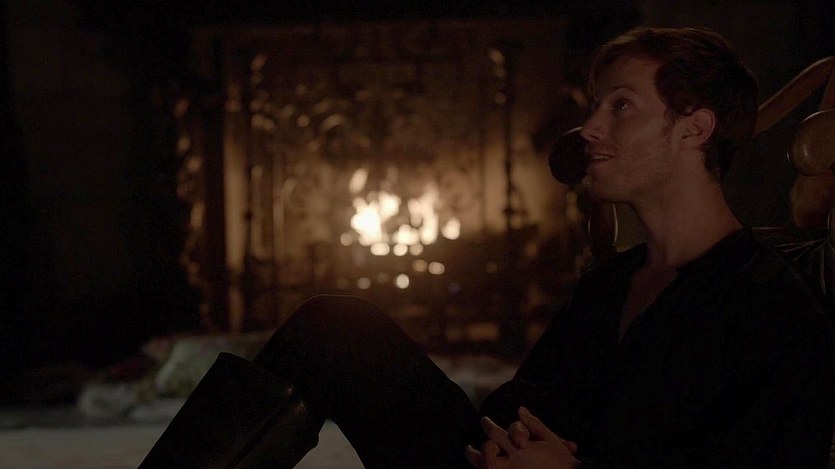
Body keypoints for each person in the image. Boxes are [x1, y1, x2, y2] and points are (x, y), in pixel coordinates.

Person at [139, 27, 835, 469]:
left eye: (620, 106)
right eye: (593, 105)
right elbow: (518, 404)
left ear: (694, 128)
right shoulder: (613, 282)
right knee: (334, 325)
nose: (588, 129)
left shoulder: (767, 300)